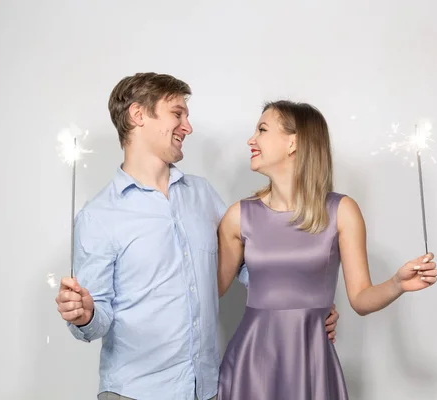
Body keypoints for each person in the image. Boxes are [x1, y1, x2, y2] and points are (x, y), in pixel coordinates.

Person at [54, 73, 339, 400]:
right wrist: (85, 313)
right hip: (135, 393)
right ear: (138, 115)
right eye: (177, 114)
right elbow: (96, 319)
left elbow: (251, 263)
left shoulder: (203, 196)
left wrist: (304, 302)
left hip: (207, 390)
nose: (187, 127)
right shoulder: (99, 216)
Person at [216, 100, 437, 399]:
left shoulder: (342, 211)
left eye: (262, 129)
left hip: (313, 364)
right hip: (251, 365)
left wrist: (398, 283)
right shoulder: (238, 216)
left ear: (294, 142)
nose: (251, 139)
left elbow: (360, 298)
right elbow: (206, 292)